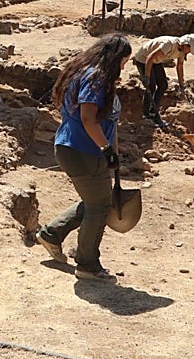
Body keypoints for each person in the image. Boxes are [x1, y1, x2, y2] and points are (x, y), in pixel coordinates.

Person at [36, 33, 133, 282]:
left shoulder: (86, 73)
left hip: (77, 148)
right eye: (124, 60)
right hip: (83, 150)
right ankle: (87, 264)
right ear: (114, 58)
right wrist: (106, 150)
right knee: (99, 206)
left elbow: (107, 122)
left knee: (96, 200)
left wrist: (113, 150)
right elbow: (88, 119)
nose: (124, 66)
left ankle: (51, 234)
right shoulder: (96, 79)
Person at [132, 33, 194, 128]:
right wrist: (146, 77)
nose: (189, 52)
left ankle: (153, 112)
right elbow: (149, 57)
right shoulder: (168, 44)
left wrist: (181, 84)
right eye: (189, 49)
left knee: (163, 85)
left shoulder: (182, 51)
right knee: (151, 86)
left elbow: (180, 66)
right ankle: (146, 115)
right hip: (144, 59)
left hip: (156, 61)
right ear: (185, 44)